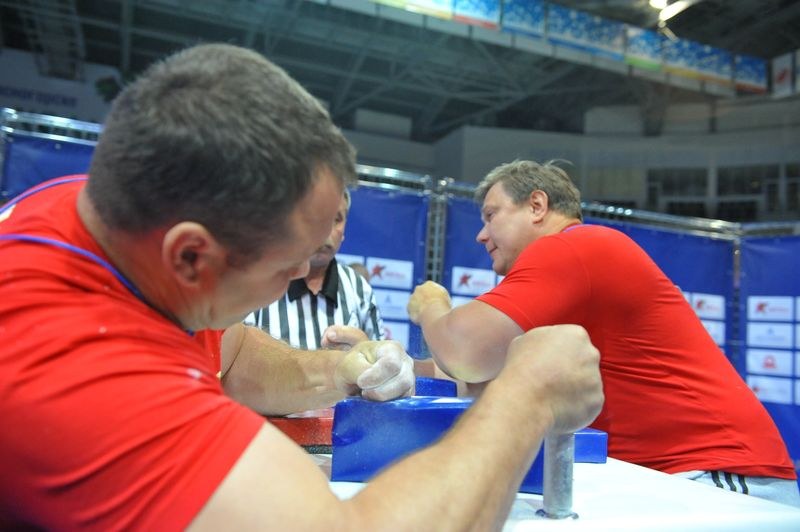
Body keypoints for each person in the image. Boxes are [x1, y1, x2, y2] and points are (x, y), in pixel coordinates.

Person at [0, 45, 604, 529]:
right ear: (191, 255)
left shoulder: (100, 213)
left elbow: (229, 353)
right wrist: (526, 398)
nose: (302, 275)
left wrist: (336, 371)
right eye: (290, 262)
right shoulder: (71, 374)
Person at [407, 159, 800, 507]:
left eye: (491, 215)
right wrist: (398, 368)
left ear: (537, 206)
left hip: (723, 479)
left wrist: (430, 306)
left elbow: (464, 353)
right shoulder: (565, 282)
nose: (482, 234)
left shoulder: (576, 247)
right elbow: (479, 379)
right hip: (682, 476)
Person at [245, 188, 385, 351]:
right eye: (316, 218)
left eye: (336, 219)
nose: (326, 232)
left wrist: (365, 350)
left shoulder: (358, 288)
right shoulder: (261, 282)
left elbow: (379, 360)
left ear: (344, 231)